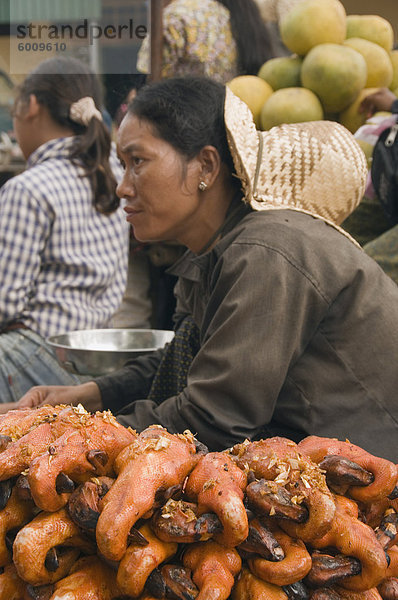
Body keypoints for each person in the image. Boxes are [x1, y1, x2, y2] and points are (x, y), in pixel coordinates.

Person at [8, 76, 398, 462]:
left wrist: (67, 435)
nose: (122, 187)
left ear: (206, 166)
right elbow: (187, 360)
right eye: (122, 165)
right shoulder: (211, 253)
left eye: (137, 162)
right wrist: (89, 395)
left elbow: (211, 420)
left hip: (374, 479)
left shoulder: (265, 250)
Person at [0, 57, 129, 402]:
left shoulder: (28, 188)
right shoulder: (117, 174)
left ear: (31, 106)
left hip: (37, 353)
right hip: (95, 355)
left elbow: (5, 305)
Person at [137, 0, 275, 83]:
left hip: (180, 125)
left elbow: (147, 83)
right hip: (234, 123)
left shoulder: (174, 18)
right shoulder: (240, 13)